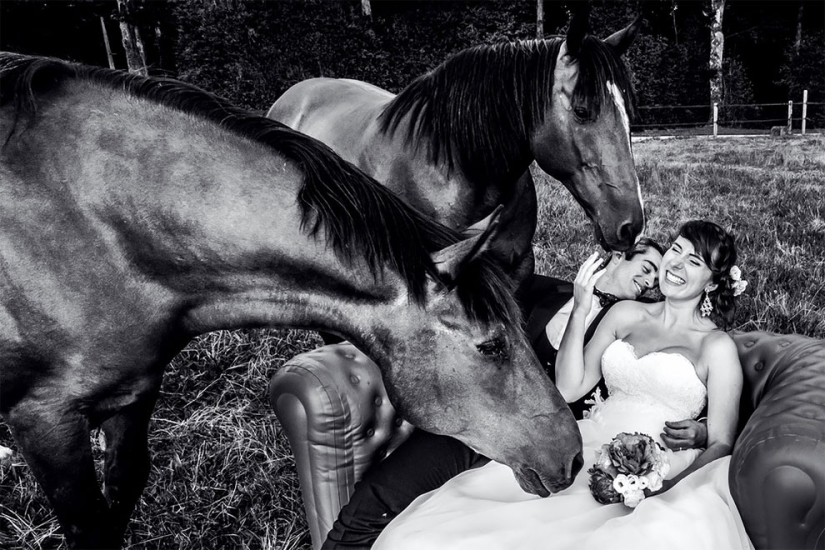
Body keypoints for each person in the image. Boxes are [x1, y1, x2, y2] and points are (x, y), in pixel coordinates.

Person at [373, 220, 752, 550]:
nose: (676, 264)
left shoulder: (715, 346)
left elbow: (721, 440)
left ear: (714, 280)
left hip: (666, 465)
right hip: (591, 443)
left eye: (694, 261)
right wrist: (582, 308)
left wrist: (666, 489)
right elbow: (570, 388)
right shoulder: (625, 314)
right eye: (677, 250)